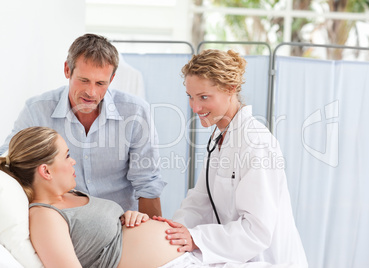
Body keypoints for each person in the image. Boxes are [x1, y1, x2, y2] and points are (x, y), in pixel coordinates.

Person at [154, 49, 308, 267]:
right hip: (234, 257)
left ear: (230, 89)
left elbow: (257, 230)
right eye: (191, 97)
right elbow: (200, 202)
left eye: (204, 97)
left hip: (266, 260)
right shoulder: (220, 139)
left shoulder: (256, 143)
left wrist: (196, 238)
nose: (195, 107)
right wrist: (172, 232)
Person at [0, 33, 165, 216]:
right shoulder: (37, 110)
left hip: (121, 222)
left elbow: (147, 183)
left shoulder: (135, 112)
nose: (91, 92)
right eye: (84, 80)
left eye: (101, 83)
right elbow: (9, 161)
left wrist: (151, 233)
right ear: (67, 70)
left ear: (111, 79)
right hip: (64, 220)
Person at [0, 127, 183, 268]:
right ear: (46, 171)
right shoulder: (44, 216)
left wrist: (131, 217)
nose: (73, 161)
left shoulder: (70, 195)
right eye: (67, 156)